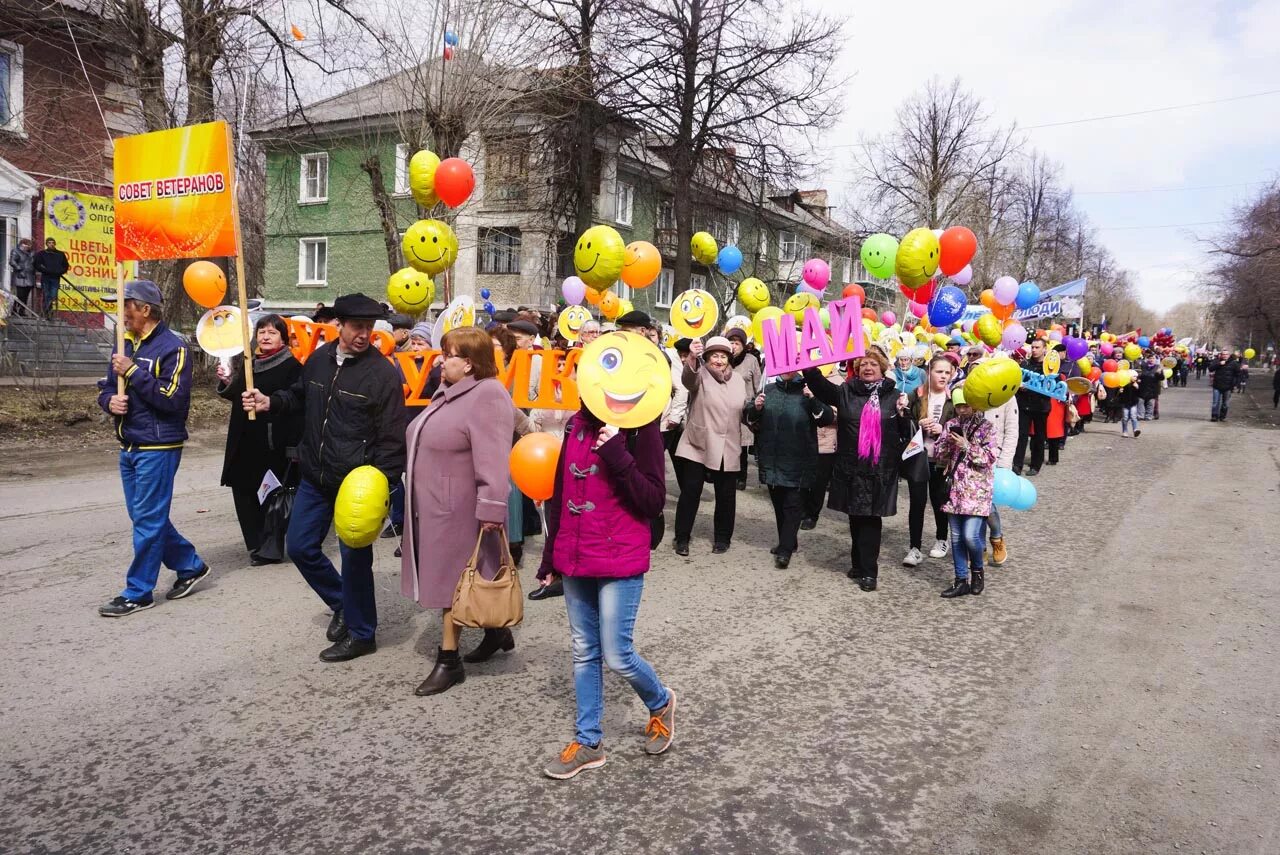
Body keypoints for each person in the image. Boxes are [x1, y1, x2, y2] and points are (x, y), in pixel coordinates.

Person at [241, 293, 406, 662]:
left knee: (355, 561)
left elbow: (394, 438)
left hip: (356, 486)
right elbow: (299, 397)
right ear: (339, 326)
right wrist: (271, 402)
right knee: (299, 546)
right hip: (315, 474)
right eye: (356, 327)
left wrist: (382, 483)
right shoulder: (318, 360)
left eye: (369, 328)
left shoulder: (382, 375)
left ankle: (363, 633)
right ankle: (342, 603)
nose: (363, 334)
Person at [537, 398, 675, 779]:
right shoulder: (575, 424)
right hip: (576, 555)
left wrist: (616, 451)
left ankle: (661, 702)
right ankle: (588, 742)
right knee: (584, 650)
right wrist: (550, 558)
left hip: (620, 554)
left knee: (617, 654)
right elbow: (560, 496)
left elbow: (653, 500)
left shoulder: (641, 427)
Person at [401, 327, 516, 695]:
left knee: (454, 582)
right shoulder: (447, 394)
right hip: (435, 506)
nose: (439, 359)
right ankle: (497, 631)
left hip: (462, 510)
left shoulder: (488, 395)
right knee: (465, 579)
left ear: (468, 364)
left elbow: (495, 459)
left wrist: (492, 509)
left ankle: (449, 661)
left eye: (448, 355)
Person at [95, 280, 210, 616]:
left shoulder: (174, 348)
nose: (121, 314)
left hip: (158, 446)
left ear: (145, 309)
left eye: (125, 306)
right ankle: (190, 564)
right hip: (129, 444)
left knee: (146, 519)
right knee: (146, 517)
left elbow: (173, 401)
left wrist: (133, 372)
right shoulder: (124, 344)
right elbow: (106, 387)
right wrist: (108, 402)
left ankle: (138, 591)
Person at [803, 348, 913, 592]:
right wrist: (808, 365)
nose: (867, 367)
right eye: (863, 364)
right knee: (855, 516)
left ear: (882, 368)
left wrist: (906, 412)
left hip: (879, 468)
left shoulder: (895, 395)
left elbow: (907, 430)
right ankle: (857, 563)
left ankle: (869, 572)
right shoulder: (846, 391)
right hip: (851, 466)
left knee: (871, 519)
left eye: (873, 363)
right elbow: (819, 386)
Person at [215, 314, 303, 565]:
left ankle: (270, 546)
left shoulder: (292, 367)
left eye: (272, 332)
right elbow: (236, 394)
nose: (265, 336)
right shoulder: (249, 364)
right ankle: (255, 542)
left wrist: (271, 403)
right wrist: (227, 382)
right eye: (262, 331)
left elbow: (295, 400)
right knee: (243, 490)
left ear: (283, 339)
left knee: (272, 494)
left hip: (272, 441)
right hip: (244, 439)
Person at [745, 371, 834, 568]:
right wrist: (756, 407)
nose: (786, 371)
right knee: (778, 504)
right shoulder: (768, 390)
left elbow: (826, 418)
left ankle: (785, 550)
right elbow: (749, 417)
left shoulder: (807, 390)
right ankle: (788, 542)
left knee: (792, 505)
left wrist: (813, 399)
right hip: (772, 458)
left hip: (799, 459)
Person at [673, 336, 747, 556]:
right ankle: (682, 538)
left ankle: (723, 538)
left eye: (723, 356)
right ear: (707, 357)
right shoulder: (700, 374)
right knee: (691, 491)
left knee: (726, 495)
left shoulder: (739, 380)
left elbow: (744, 411)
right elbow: (688, 380)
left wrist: (756, 410)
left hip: (728, 443)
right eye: (714, 355)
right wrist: (693, 357)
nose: (719, 360)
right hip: (699, 442)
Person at [933, 388, 998, 598]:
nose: (962, 410)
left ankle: (977, 570)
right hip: (954, 487)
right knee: (957, 536)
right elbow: (939, 453)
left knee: (971, 536)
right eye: (959, 406)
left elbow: (988, 458)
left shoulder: (987, 427)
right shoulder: (951, 424)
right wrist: (946, 442)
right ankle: (960, 579)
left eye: (966, 405)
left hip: (977, 489)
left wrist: (967, 446)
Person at [903, 355, 956, 567]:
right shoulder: (917, 394)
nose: (943, 376)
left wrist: (942, 430)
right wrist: (918, 422)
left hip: (942, 460)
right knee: (916, 502)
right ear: (929, 372)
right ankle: (914, 548)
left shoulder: (954, 396)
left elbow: (961, 425)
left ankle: (941, 540)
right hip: (919, 456)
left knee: (939, 502)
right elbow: (904, 420)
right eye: (939, 371)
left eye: (947, 372)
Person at [980, 365, 1019, 567]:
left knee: (987, 504)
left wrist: (1005, 463)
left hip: (995, 457)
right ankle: (979, 548)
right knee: (974, 505)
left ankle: (996, 537)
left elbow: (1012, 431)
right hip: (972, 457)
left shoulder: (1006, 396)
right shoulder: (967, 392)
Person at [726, 327, 763, 489]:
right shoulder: (723, 359)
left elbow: (758, 385)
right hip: (725, 409)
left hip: (744, 409)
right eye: (731, 342)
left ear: (743, 344)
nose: (733, 346)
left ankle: (741, 477)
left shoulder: (751, 360)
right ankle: (725, 474)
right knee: (726, 443)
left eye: (737, 343)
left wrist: (757, 407)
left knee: (741, 445)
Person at [1013, 338, 1050, 476]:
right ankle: (1017, 464)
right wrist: (1020, 387)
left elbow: (1053, 386)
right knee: (1021, 436)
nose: (1034, 350)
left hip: (1041, 406)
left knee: (1039, 437)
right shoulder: (1025, 363)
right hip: (1024, 405)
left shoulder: (1050, 367)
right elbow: (1018, 379)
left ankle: (1036, 465)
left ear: (1044, 349)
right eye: (1033, 347)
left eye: (1037, 347)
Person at [33, 237, 69, 318]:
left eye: (53, 242)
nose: (51, 244)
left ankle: (47, 311)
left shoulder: (60, 254)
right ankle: (47, 313)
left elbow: (65, 266)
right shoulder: (41, 253)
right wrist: (45, 270)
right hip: (46, 277)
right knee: (46, 294)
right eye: (49, 243)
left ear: (55, 244)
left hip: (55, 278)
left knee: (53, 295)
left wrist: (59, 272)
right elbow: (37, 264)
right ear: (46, 244)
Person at [7, 237, 35, 317]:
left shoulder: (32, 253)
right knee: (19, 295)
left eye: (30, 245)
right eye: (27, 244)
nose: (29, 246)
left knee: (25, 296)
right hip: (20, 276)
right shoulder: (16, 251)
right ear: (23, 244)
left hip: (29, 277)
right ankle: (14, 310)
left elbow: (34, 263)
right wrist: (19, 268)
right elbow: (12, 261)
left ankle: (22, 311)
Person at [1209, 353, 1239, 422]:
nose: (1225, 355)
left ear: (1229, 355)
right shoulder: (1217, 361)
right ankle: (1214, 416)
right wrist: (1219, 364)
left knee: (1225, 404)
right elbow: (1210, 369)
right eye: (1223, 354)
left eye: (1226, 354)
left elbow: (1238, 374)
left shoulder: (1234, 363)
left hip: (1228, 386)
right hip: (1217, 385)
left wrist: (1235, 384)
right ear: (1221, 355)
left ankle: (1222, 416)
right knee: (1215, 402)